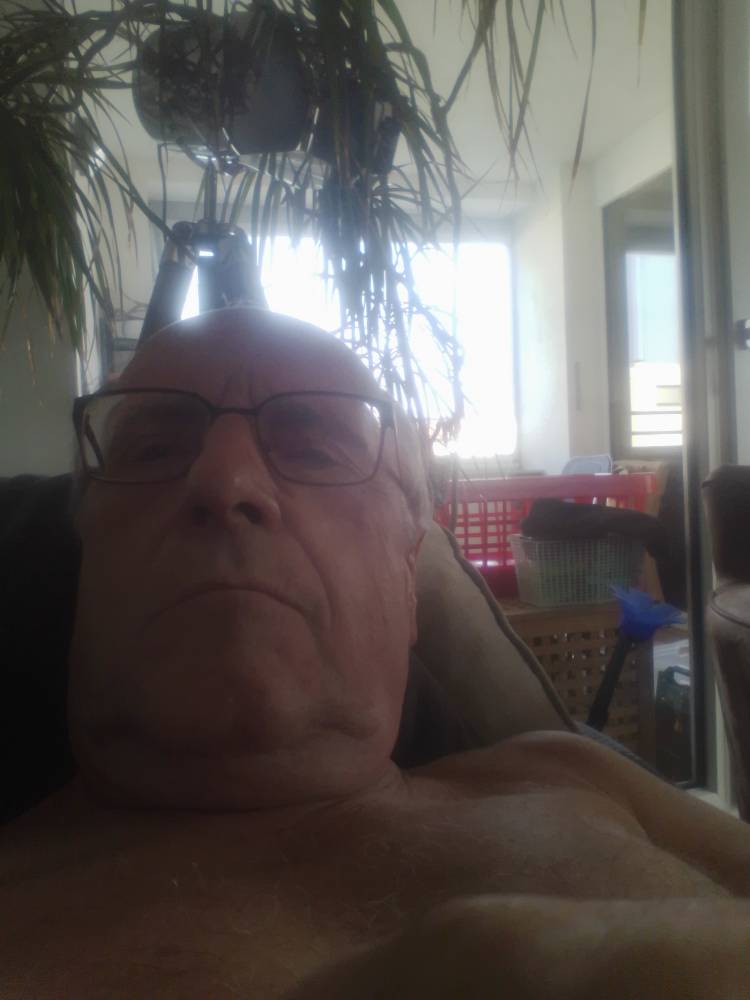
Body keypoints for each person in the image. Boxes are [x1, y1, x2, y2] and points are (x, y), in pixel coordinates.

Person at [2, 307, 750, 1000]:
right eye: (155, 448)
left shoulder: (575, 775)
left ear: (408, 576)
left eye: (314, 448)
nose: (224, 482)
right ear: (86, 558)